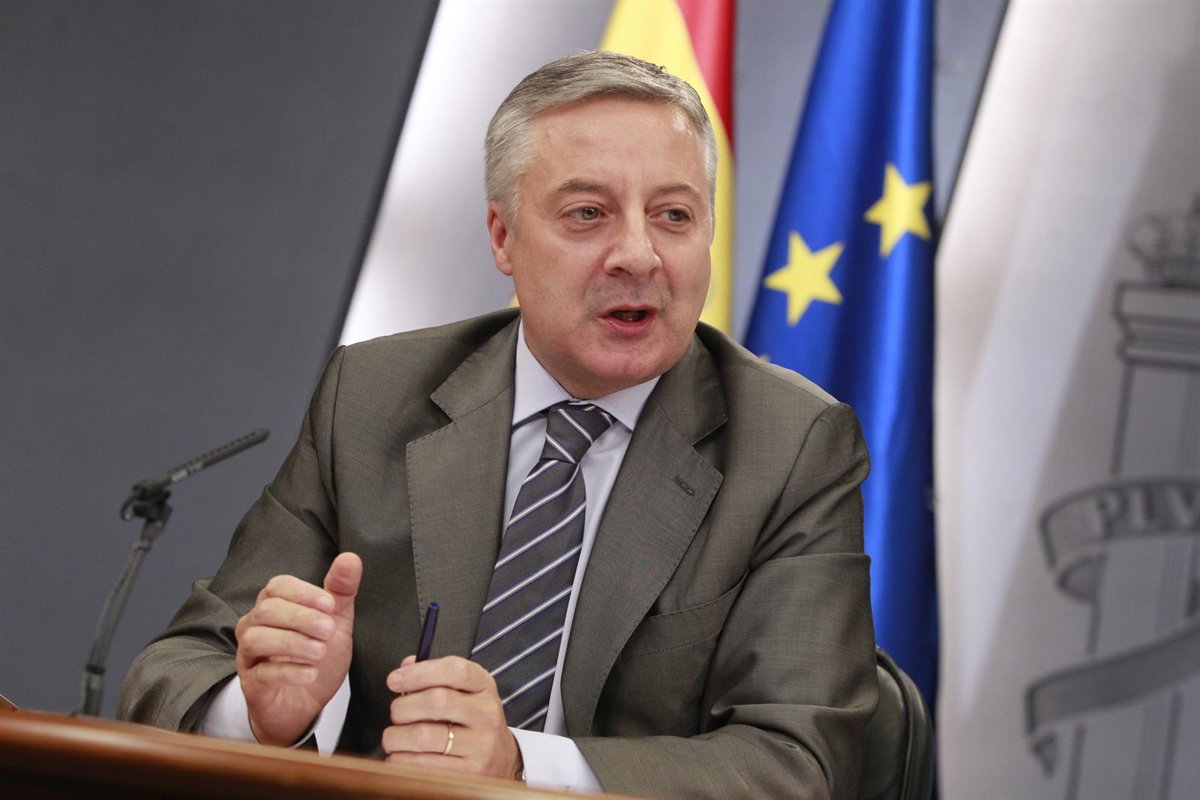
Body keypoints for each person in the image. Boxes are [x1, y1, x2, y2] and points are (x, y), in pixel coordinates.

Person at [118, 50, 877, 799]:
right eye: (588, 214)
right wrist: (267, 713)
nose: (638, 255)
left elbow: (798, 760)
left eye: (674, 216)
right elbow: (176, 669)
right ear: (503, 237)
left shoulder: (791, 446)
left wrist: (521, 766)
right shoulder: (374, 397)